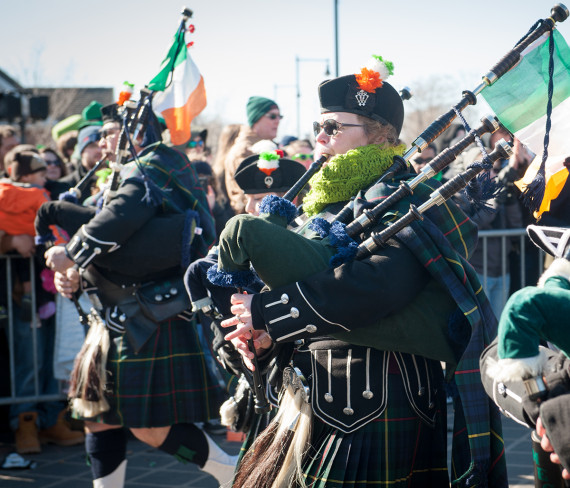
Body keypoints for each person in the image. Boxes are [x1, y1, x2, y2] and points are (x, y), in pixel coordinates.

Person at [211, 55, 506, 487]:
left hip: (378, 396)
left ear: (379, 134)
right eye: (318, 127)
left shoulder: (405, 196)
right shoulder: (322, 201)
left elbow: (381, 286)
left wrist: (269, 311)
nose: (320, 137)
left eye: (333, 127)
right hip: (315, 395)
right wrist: (264, 330)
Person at [45, 102, 237, 487]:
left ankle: (231, 473)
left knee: (151, 428)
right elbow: (124, 251)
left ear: (137, 132)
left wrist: (73, 253)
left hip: (150, 316)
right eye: (99, 134)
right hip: (111, 316)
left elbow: (123, 218)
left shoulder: (155, 166)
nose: (101, 141)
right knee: (97, 419)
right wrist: (77, 277)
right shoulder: (120, 175)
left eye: (109, 131)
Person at [0, 148, 84, 454]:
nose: (46, 171)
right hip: (22, 294)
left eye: (49, 166)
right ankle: (25, 423)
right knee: (29, 358)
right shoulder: (8, 196)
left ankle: (50, 421)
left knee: (52, 356)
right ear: (20, 175)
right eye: (39, 169)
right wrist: (8, 240)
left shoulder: (51, 197)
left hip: (52, 292)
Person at [224, 96, 282, 214]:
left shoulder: (267, 146)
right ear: (256, 119)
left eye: (279, 116)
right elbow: (250, 194)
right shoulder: (245, 151)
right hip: (250, 218)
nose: (277, 120)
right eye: (272, 116)